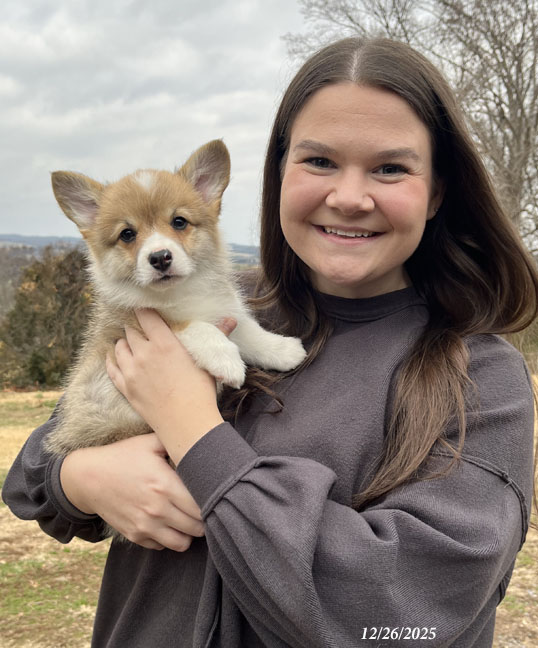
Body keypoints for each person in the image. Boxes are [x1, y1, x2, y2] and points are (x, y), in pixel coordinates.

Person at [3, 36, 538, 648]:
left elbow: (400, 613)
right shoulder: (215, 303)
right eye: (320, 161)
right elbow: (31, 474)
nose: (348, 198)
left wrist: (193, 432)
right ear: (280, 174)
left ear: (437, 190)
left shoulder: (481, 378)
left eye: (390, 168)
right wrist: (81, 478)